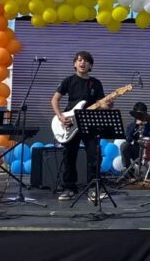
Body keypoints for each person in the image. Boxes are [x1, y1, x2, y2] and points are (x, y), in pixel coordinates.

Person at [51, 51, 113, 201]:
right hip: (70, 123)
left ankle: (94, 188)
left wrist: (108, 105)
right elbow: (54, 100)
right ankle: (69, 188)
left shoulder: (95, 83)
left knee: (94, 154)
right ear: (74, 64)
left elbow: (102, 105)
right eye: (79, 60)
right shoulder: (68, 81)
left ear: (90, 65)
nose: (82, 63)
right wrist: (60, 117)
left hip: (89, 123)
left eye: (85, 61)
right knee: (69, 156)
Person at [120, 102, 150, 174]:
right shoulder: (131, 126)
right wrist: (136, 125)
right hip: (136, 150)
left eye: (142, 114)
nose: (140, 116)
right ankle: (128, 170)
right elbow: (128, 139)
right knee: (124, 145)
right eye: (138, 114)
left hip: (148, 150)